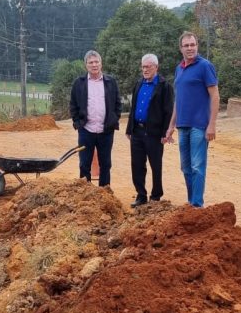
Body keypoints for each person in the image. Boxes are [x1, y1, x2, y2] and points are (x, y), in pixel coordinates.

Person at [165, 31, 220, 207]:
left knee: (197, 167)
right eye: (186, 45)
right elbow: (178, 99)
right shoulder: (179, 69)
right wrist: (172, 124)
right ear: (180, 48)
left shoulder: (205, 66)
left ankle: (197, 204)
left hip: (199, 125)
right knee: (186, 167)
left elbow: (215, 96)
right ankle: (191, 203)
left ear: (197, 46)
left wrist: (211, 124)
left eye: (193, 44)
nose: (190, 48)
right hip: (183, 125)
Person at [125, 53, 174, 207]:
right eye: (143, 66)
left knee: (155, 165)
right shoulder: (138, 84)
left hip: (154, 133)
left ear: (156, 67)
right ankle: (141, 195)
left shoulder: (164, 86)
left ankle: (156, 196)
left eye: (148, 67)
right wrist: (129, 128)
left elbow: (168, 111)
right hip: (137, 132)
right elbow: (133, 108)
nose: (145, 69)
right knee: (137, 165)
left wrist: (165, 133)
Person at [69, 50, 122, 187]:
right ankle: (85, 193)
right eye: (91, 62)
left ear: (101, 63)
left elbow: (118, 103)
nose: (94, 65)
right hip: (86, 130)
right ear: (86, 65)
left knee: (106, 164)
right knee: (84, 164)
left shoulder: (111, 82)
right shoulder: (79, 83)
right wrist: (77, 123)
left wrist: (114, 119)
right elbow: (73, 104)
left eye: (96, 61)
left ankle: (104, 193)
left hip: (106, 131)